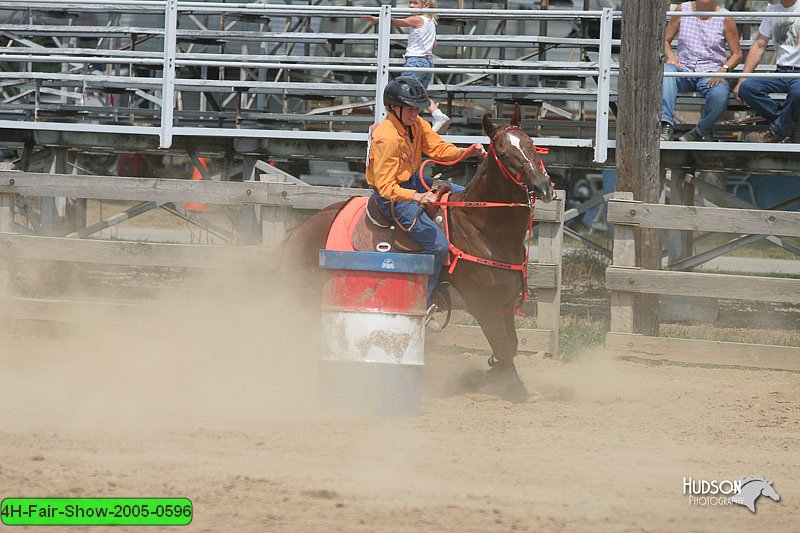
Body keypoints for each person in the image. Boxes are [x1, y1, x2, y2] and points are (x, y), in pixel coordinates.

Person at [366, 77, 484, 309]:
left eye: (417, 108)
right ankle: (422, 304)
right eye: (410, 109)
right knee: (437, 245)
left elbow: (438, 149)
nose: (415, 113)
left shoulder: (417, 125)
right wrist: (418, 197)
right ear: (394, 108)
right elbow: (386, 187)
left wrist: (466, 152)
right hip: (392, 197)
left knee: (466, 199)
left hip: (412, 181)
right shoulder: (386, 138)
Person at [363, 0, 451, 133]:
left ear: (426, 5)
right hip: (427, 62)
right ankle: (435, 115)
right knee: (418, 96)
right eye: (410, 2)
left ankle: (387, 124)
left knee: (400, 92)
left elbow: (398, 22)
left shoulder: (417, 19)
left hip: (415, 61)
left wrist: (379, 19)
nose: (411, 5)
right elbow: (434, 46)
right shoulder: (431, 23)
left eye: (415, 3)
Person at [660, 0, 742, 142]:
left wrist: (723, 69)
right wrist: (671, 57)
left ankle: (699, 132)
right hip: (683, 69)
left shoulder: (725, 17)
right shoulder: (682, 9)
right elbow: (664, 40)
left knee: (720, 95)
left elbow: (737, 54)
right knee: (667, 72)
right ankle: (665, 124)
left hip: (710, 73)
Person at [734, 0, 800, 143]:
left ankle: (774, 133)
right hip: (781, 72)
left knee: (798, 92)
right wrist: (742, 79)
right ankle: (788, 125)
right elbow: (759, 44)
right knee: (747, 88)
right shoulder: (772, 8)